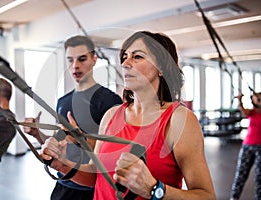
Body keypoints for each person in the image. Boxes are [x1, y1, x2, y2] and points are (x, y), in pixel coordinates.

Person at [40, 31, 216, 200]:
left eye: (137, 56)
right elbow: (96, 176)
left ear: (161, 67)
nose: (125, 63)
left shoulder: (179, 120)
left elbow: (206, 196)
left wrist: (154, 189)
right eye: (125, 57)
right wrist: (61, 163)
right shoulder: (111, 115)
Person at [24, 35, 122, 200]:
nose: (75, 65)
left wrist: (81, 139)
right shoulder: (63, 101)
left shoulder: (110, 101)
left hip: (92, 186)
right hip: (64, 181)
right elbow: (61, 141)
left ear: (94, 60)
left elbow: (115, 151)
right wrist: (38, 135)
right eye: (70, 60)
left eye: (82, 59)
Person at [230, 92, 261, 200]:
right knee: (241, 174)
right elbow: (244, 112)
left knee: (259, 178)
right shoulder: (252, 112)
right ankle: (234, 197)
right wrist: (240, 100)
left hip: (260, 148)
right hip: (247, 146)